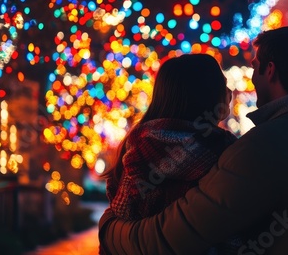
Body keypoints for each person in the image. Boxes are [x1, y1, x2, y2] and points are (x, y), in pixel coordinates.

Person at [99, 26, 288, 254]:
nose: (250, 79)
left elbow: (178, 232)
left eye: (255, 67)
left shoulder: (263, 145)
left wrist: (111, 229)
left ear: (270, 71)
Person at [102, 54, 239, 254]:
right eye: (223, 85)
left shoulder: (137, 147)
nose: (229, 92)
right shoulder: (227, 154)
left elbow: (121, 214)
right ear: (206, 96)